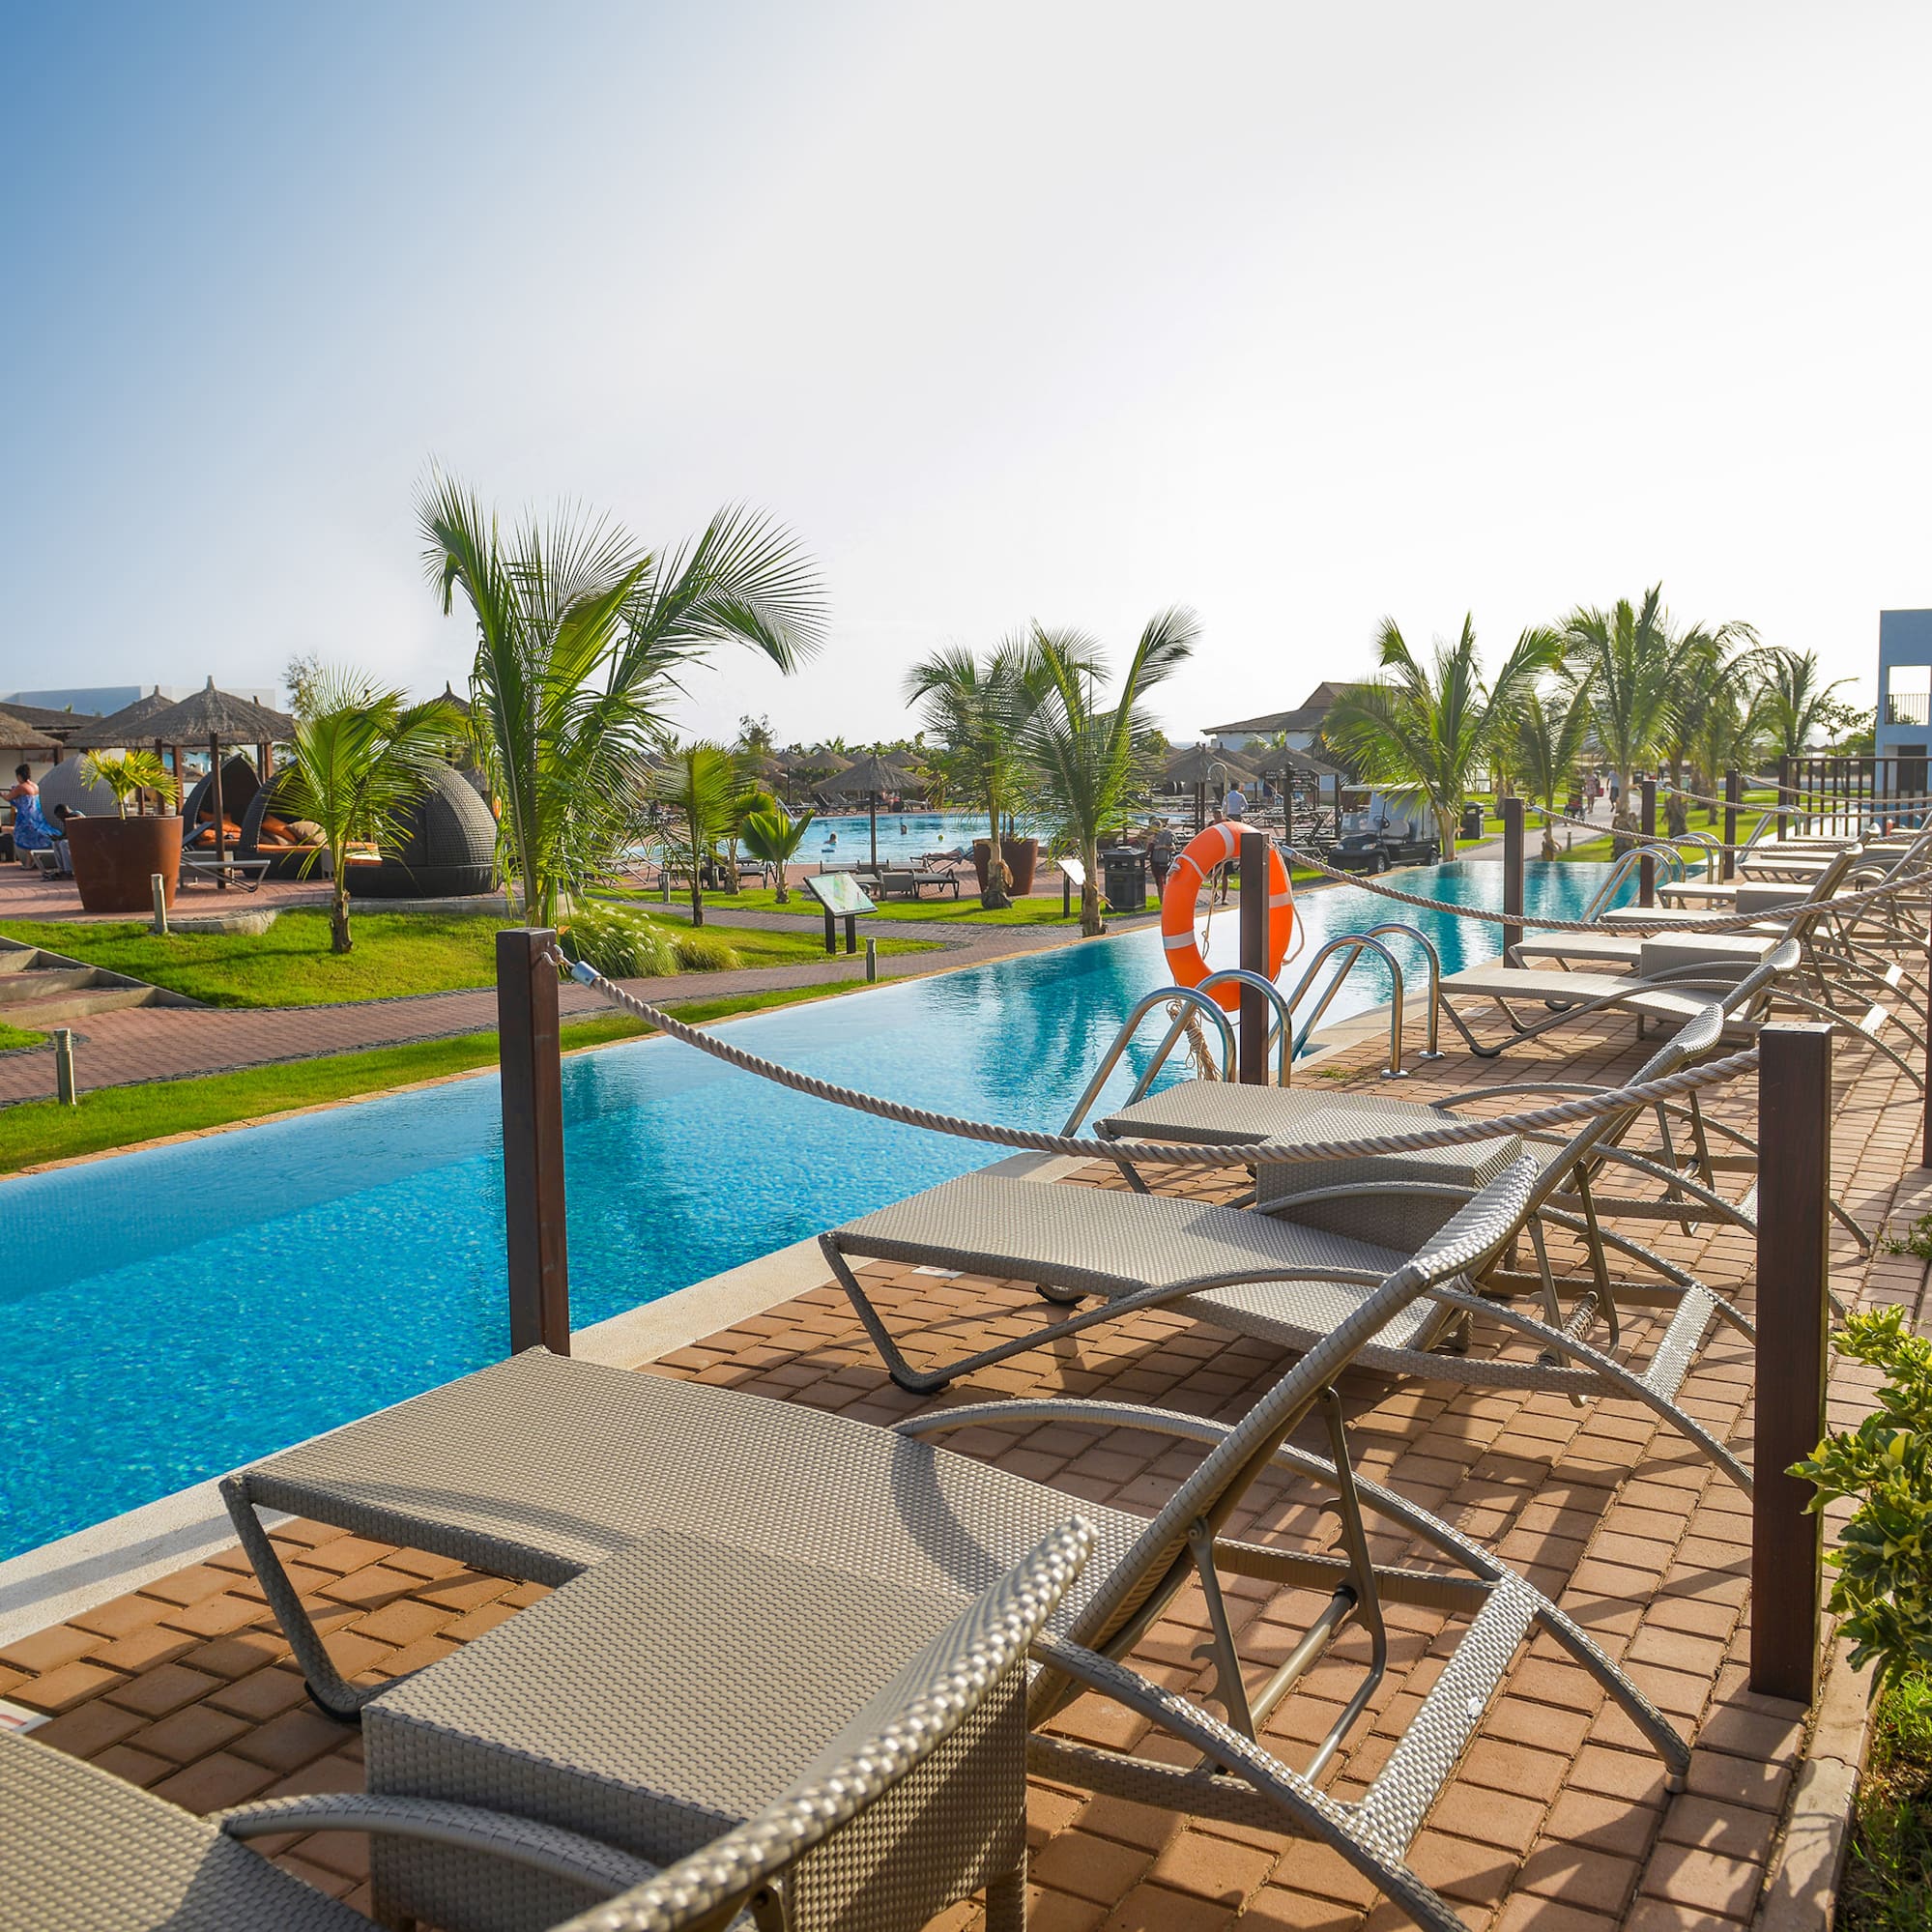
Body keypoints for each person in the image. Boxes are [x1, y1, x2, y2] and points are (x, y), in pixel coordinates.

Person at [7, 766, 54, 861]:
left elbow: (8, 797)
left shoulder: (21, 787)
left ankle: (31, 861)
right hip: (37, 815)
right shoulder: (35, 786)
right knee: (32, 839)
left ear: (19, 776)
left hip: (26, 816)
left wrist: (2, 795)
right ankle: (31, 861)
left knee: (23, 838)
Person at [1148, 819, 1175, 892]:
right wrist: (1150, 842)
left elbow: (1173, 848)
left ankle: (1164, 897)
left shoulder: (1167, 834)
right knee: (1158, 882)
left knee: (1162, 882)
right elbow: (1148, 850)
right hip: (1154, 861)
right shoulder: (1152, 836)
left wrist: (1162, 846)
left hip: (1164, 861)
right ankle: (1162, 898)